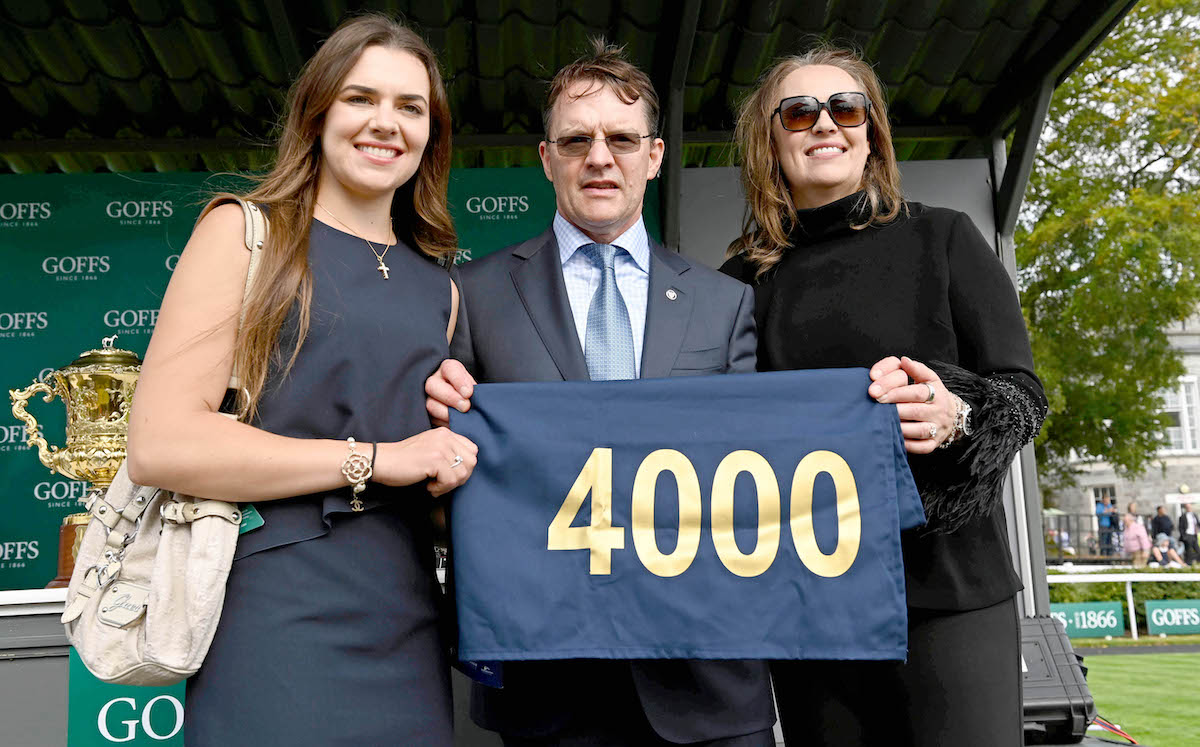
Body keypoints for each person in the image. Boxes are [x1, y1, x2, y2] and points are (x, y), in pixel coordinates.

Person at [126, 15, 477, 746]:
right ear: (317, 114)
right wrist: (377, 459)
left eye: (411, 107)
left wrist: (451, 473)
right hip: (274, 610)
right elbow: (160, 443)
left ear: (431, 135)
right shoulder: (245, 232)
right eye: (361, 99)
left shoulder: (439, 289)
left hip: (409, 620)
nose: (386, 123)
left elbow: (427, 475)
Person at [425, 40, 775, 747]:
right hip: (547, 685)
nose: (599, 157)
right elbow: (449, 482)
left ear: (654, 155)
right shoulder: (472, 294)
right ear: (547, 158)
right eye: (576, 139)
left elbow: (756, 478)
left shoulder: (726, 304)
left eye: (621, 138)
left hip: (705, 680)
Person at [719, 46, 1046, 747]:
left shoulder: (945, 237)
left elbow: (1023, 399)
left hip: (950, 592)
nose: (825, 125)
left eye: (846, 108)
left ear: (872, 133)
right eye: (799, 112)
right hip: (810, 603)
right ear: (769, 141)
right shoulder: (740, 281)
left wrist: (958, 411)